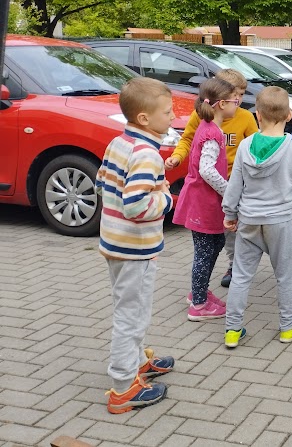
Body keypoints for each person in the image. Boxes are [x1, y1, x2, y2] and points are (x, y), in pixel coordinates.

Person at [96, 77, 176, 414]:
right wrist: (165, 198)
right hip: (134, 250)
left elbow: (102, 181)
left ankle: (135, 363)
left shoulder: (119, 142)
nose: (173, 117)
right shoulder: (148, 155)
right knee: (131, 314)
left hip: (115, 244)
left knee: (133, 309)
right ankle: (122, 388)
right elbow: (136, 205)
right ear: (144, 118)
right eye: (168, 112)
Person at [222, 87, 292, 346]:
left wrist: (230, 213)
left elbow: (234, 186)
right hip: (280, 222)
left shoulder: (244, 146)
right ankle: (287, 327)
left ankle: (232, 330)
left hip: (248, 220)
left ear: (257, 115)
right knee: (285, 276)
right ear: (288, 115)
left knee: (240, 276)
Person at [166, 69, 258, 289]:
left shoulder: (245, 117)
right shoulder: (203, 118)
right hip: (211, 187)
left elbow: (255, 147)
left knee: (233, 229)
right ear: (220, 99)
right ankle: (201, 290)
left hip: (234, 184)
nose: (239, 100)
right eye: (235, 95)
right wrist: (177, 157)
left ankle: (234, 265)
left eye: (242, 95)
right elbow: (187, 140)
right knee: (214, 234)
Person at [173, 77, 239, 321]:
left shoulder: (209, 126)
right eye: (235, 100)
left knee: (215, 244)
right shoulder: (211, 133)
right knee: (204, 250)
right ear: (221, 104)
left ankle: (198, 291)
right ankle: (198, 305)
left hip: (205, 200)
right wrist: (230, 191)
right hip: (203, 202)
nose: (238, 103)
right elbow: (207, 170)